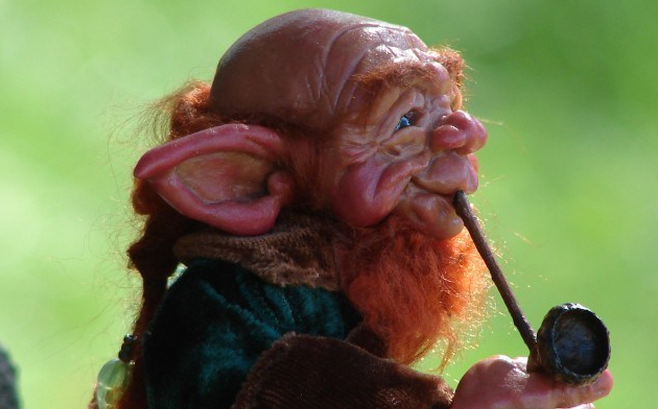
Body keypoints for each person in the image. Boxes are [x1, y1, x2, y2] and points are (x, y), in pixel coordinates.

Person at [91, 9, 613, 409]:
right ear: (244, 178)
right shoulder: (220, 306)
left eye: (448, 106)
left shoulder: (357, 264)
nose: (464, 133)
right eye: (405, 122)